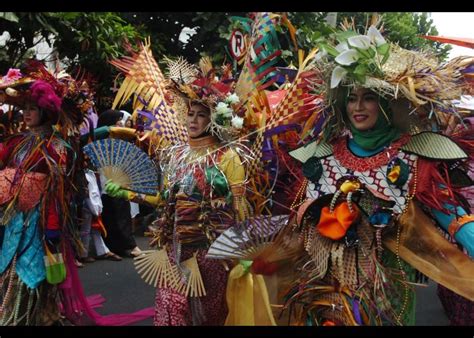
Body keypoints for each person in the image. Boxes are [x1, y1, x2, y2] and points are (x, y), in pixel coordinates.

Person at [279, 24, 474, 325]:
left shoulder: (413, 153)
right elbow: (298, 219)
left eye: (368, 97)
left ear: (385, 104)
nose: (358, 107)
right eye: (352, 98)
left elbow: (451, 213)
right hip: (326, 289)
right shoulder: (323, 153)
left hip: (387, 295)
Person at [105, 56, 252, 325]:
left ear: (215, 119)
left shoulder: (228, 157)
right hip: (175, 249)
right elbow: (163, 199)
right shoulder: (177, 155)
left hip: (212, 253)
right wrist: (126, 193)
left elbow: (239, 208)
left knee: (208, 315)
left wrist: (242, 253)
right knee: (170, 306)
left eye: (202, 114)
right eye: (191, 114)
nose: (193, 120)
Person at [0, 68, 78, 325]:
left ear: (45, 111)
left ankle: (33, 315)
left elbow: (59, 189)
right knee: (8, 265)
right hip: (14, 218)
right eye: (25, 108)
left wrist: (52, 224)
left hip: (40, 219)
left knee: (33, 268)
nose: (27, 113)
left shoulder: (57, 146)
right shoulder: (15, 142)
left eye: (33, 108)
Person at [96, 109, 142, 258]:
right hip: (107, 185)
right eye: (118, 122)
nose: (121, 124)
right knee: (112, 216)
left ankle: (127, 245)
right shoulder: (101, 142)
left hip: (118, 184)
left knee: (122, 214)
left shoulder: (118, 141)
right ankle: (125, 246)